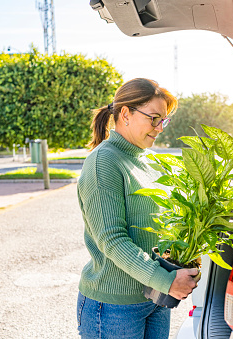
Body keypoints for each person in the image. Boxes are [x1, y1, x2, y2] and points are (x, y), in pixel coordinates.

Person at [76, 78, 200, 339]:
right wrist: (166, 280)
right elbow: (112, 240)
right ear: (126, 114)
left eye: (163, 120)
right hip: (114, 307)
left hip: (155, 298)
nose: (159, 128)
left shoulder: (147, 160)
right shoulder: (103, 163)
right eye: (154, 118)